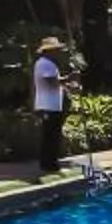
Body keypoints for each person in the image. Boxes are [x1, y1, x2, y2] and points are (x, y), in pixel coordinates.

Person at [31, 36, 67, 178]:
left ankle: (49, 163)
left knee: (51, 134)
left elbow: (54, 83)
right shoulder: (46, 64)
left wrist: (67, 85)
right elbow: (51, 81)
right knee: (50, 135)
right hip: (49, 106)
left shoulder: (46, 63)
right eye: (56, 50)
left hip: (51, 105)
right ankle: (49, 164)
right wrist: (69, 78)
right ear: (49, 51)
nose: (58, 53)